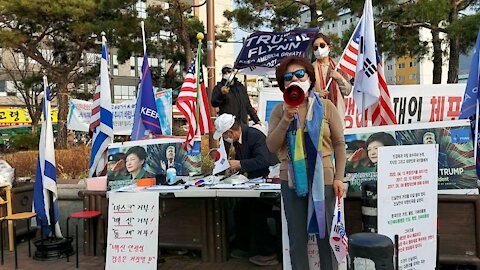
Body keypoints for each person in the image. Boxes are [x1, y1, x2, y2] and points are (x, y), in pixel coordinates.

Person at [266, 56, 346, 270]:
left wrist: (339, 178)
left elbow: (339, 144)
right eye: (288, 77)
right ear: (283, 84)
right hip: (292, 181)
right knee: (297, 237)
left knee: (325, 234)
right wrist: (285, 120)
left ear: (309, 78)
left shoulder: (326, 107)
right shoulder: (279, 111)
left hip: (325, 179)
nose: (295, 79)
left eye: (300, 74)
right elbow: (272, 146)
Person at [213, 113, 280, 266]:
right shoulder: (238, 141)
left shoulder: (254, 136)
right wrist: (235, 169)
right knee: (239, 209)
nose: (225, 138)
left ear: (230, 132)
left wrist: (240, 164)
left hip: (267, 183)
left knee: (256, 212)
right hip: (252, 184)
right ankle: (243, 246)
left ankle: (268, 252)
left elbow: (263, 160)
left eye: (225, 135)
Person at [311, 33, 352, 126]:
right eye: (315, 48)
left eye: (322, 45)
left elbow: (347, 91)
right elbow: (305, 95)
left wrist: (339, 77)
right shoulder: (310, 70)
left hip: (338, 117)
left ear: (328, 47)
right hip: (318, 119)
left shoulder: (339, 67)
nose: (319, 50)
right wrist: (317, 94)